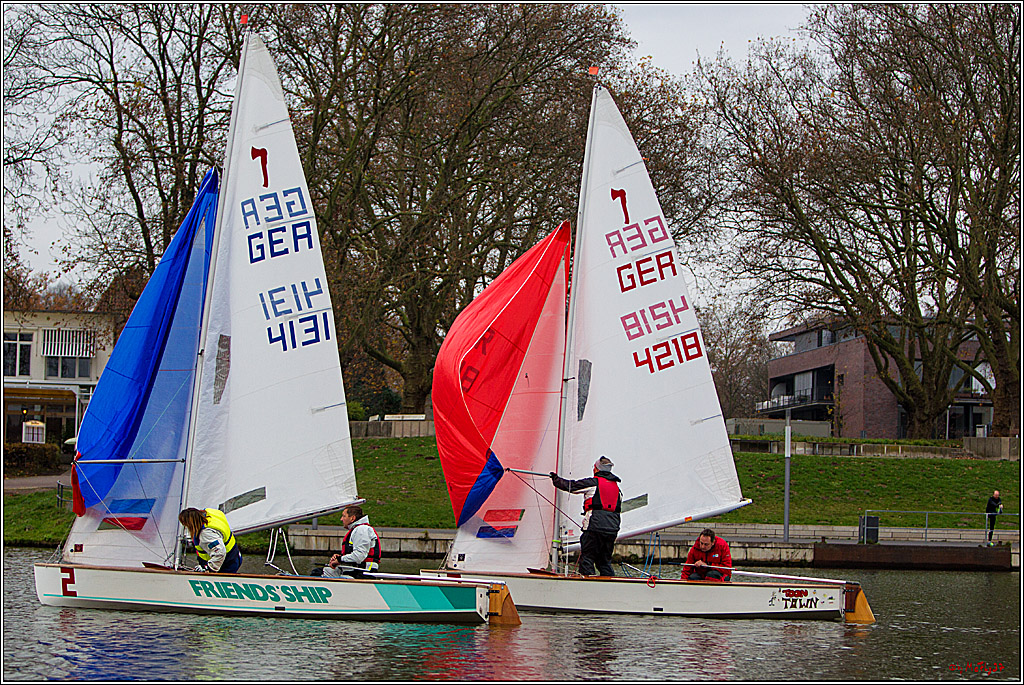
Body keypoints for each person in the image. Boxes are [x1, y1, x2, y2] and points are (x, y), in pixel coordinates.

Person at [550, 456, 622, 577]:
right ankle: (610, 585)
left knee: (587, 558)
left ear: (597, 469)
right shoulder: (617, 488)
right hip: (613, 528)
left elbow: (571, 486)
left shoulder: (593, 483)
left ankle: (588, 585)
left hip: (595, 526)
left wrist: (555, 479)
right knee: (604, 561)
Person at [321, 505, 381, 578]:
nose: (341, 519)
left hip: (362, 573)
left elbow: (359, 556)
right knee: (324, 571)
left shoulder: (361, 530)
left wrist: (340, 560)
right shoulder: (357, 530)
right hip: (355, 570)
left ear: (352, 518)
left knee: (319, 572)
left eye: (344, 516)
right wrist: (340, 558)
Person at [178, 507, 242, 573]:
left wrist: (208, 568)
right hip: (235, 555)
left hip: (227, 563)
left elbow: (220, 552)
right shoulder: (212, 513)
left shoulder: (206, 534)